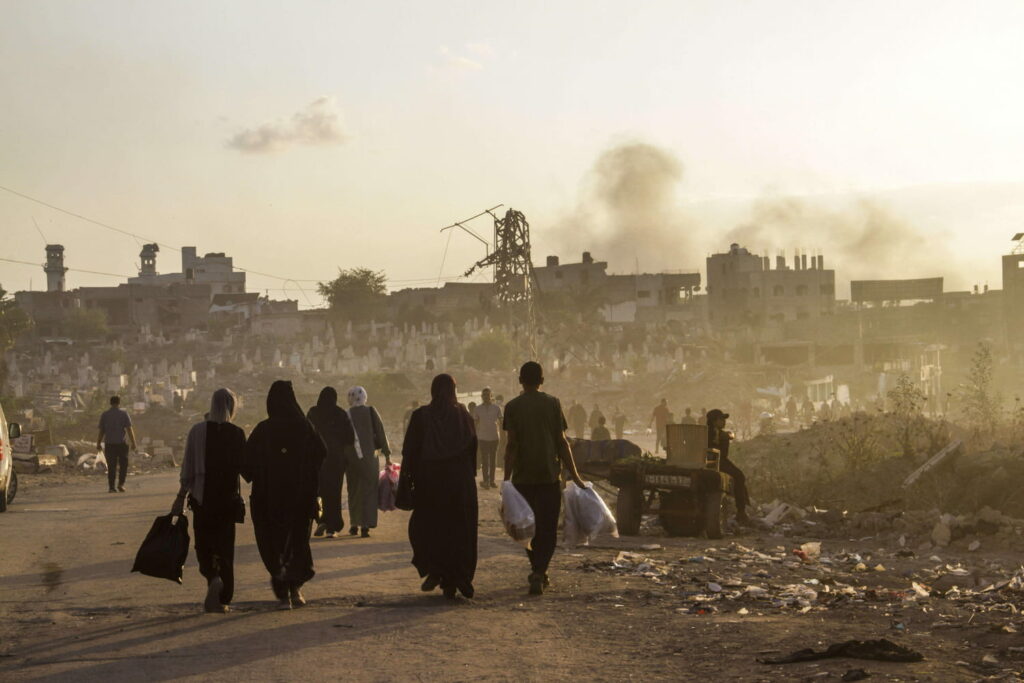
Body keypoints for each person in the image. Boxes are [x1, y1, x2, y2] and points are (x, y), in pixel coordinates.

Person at [503, 361, 587, 596]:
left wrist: (506, 480)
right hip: (549, 476)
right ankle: (540, 571)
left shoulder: (512, 407)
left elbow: (512, 446)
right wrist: (576, 475)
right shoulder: (552, 404)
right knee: (548, 528)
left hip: (523, 479)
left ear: (521, 380)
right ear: (542, 381)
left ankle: (537, 569)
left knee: (528, 527)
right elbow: (562, 442)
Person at [242, 380, 326, 609]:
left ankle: (283, 592)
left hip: (269, 499)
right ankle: (295, 590)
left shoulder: (263, 430)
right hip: (300, 498)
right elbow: (321, 453)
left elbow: (246, 466)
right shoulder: (305, 427)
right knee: (298, 543)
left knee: (274, 544)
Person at [402, 374, 479, 599]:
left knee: (431, 527)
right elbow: (472, 450)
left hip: (430, 482)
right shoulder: (463, 415)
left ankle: (436, 570)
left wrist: (408, 480)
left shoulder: (420, 416)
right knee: (460, 530)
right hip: (460, 484)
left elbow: (410, 452)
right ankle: (460, 577)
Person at [171, 388, 246, 613]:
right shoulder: (237, 433)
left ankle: (212, 577)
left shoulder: (197, 431)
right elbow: (247, 469)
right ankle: (223, 599)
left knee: (203, 544)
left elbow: (188, 470)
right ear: (232, 408)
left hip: (202, 498)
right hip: (227, 499)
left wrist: (180, 498)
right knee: (225, 549)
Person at [306, 387, 356, 539]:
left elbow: (306, 434)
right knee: (334, 493)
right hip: (336, 460)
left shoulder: (313, 413)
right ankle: (332, 527)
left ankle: (321, 519)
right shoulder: (340, 414)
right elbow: (350, 438)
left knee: (319, 491)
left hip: (317, 460)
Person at [346, 386, 391, 538]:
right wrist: (388, 456)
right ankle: (366, 526)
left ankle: (354, 525)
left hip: (352, 459)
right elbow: (381, 433)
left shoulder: (347, 414)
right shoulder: (371, 411)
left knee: (354, 491)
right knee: (369, 491)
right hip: (371, 457)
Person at [706, 408, 750, 525]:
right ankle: (741, 512)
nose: (724, 422)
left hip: (709, 461)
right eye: (721, 419)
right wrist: (728, 436)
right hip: (717, 462)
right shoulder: (715, 433)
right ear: (714, 421)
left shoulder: (708, 431)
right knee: (739, 477)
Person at [96, 396, 137, 493]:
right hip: (121, 444)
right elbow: (129, 430)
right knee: (123, 465)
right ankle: (121, 484)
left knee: (111, 466)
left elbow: (102, 431)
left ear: (110, 403)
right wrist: (133, 443)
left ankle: (111, 487)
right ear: (119, 403)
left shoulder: (105, 415)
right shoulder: (124, 414)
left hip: (109, 444)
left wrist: (98, 443)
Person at [473, 387, 502, 489]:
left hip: (494, 437)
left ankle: (492, 481)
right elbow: (475, 423)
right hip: (482, 437)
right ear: (481, 397)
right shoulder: (477, 409)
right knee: (485, 461)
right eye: (484, 395)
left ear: (491, 396)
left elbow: (501, 422)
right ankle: (486, 480)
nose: (486, 397)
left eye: (487, 395)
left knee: (493, 460)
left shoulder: (497, 408)